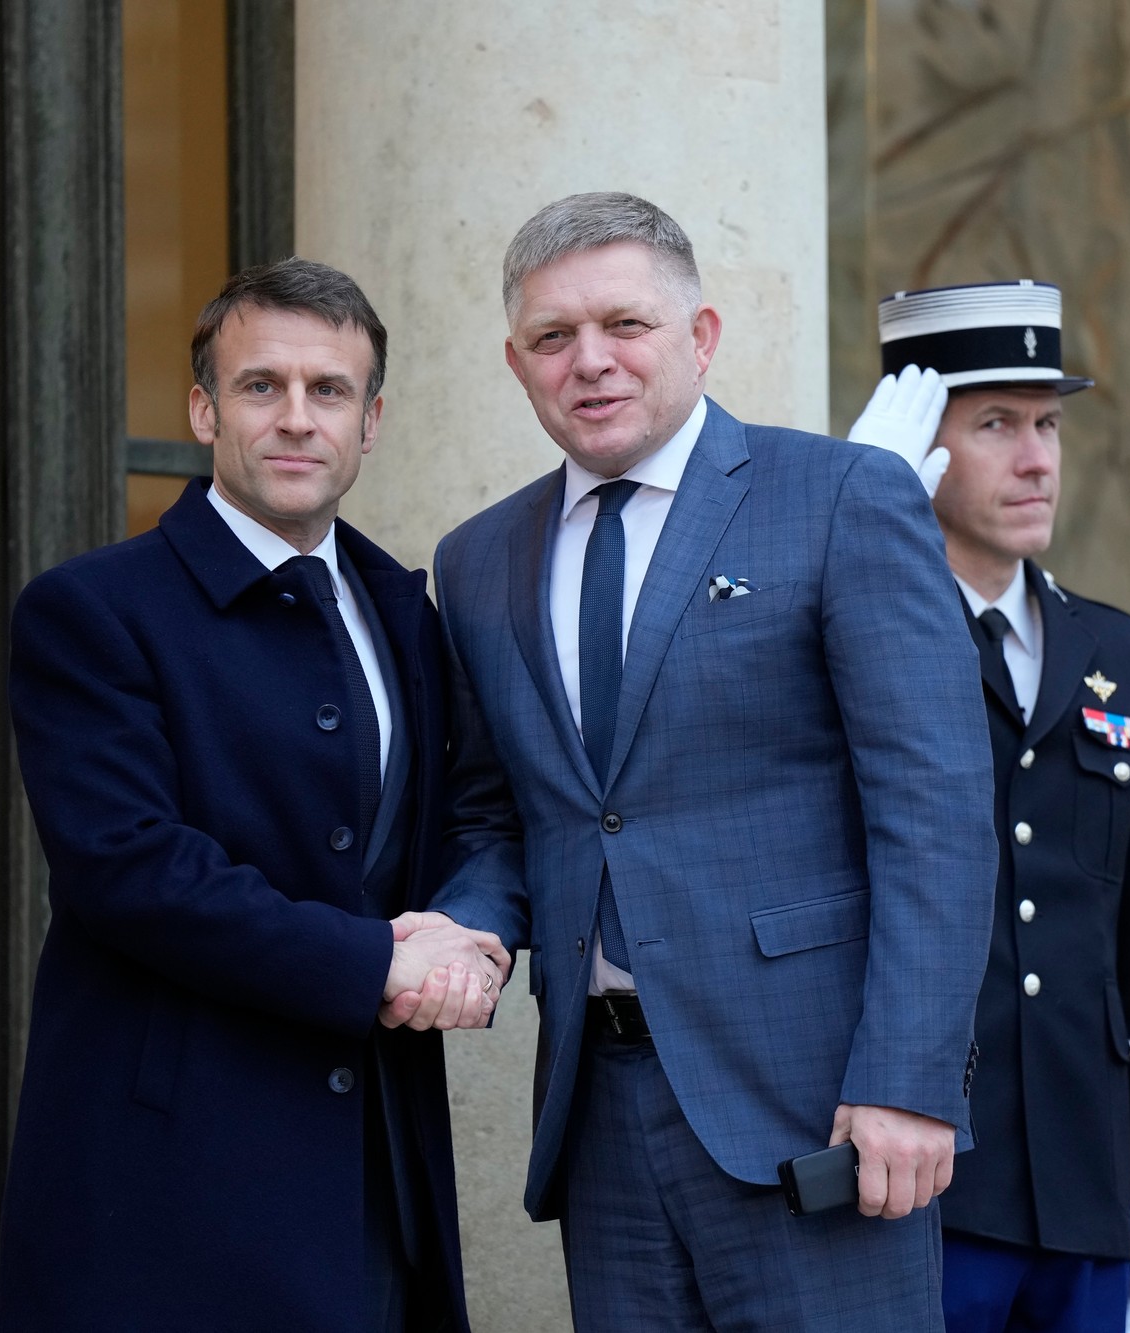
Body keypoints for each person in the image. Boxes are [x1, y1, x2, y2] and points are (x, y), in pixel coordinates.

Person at [412, 192, 996, 1331]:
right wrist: (470, 924)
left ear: (702, 336)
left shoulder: (836, 497)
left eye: (625, 325)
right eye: (552, 337)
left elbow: (932, 807)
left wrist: (906, 1081)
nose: (590, 361)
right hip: (602, 1119)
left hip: (819, 1106)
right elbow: (499, 817)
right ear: (516, 361)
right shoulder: (476, 560)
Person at [0, 258, 507, 1331]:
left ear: (370, 422)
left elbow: (468, 809)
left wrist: (474, 932)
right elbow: (130, 868)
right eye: (259, 385)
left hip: (375, 1167)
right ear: (202, 409)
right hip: (173, 1178)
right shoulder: (90, 610)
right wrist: (378, 962)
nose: (294, 418)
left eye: (328, 391)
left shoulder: (404, 609)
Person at [848, 280, 1130, 1333]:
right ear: (923, 438)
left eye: (1045, 423)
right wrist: (857, 515)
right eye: (993, 423)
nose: (1036, 456)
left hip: (1085, 1177)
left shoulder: (1112, 650)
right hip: (926, 1177)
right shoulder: (856, 635)